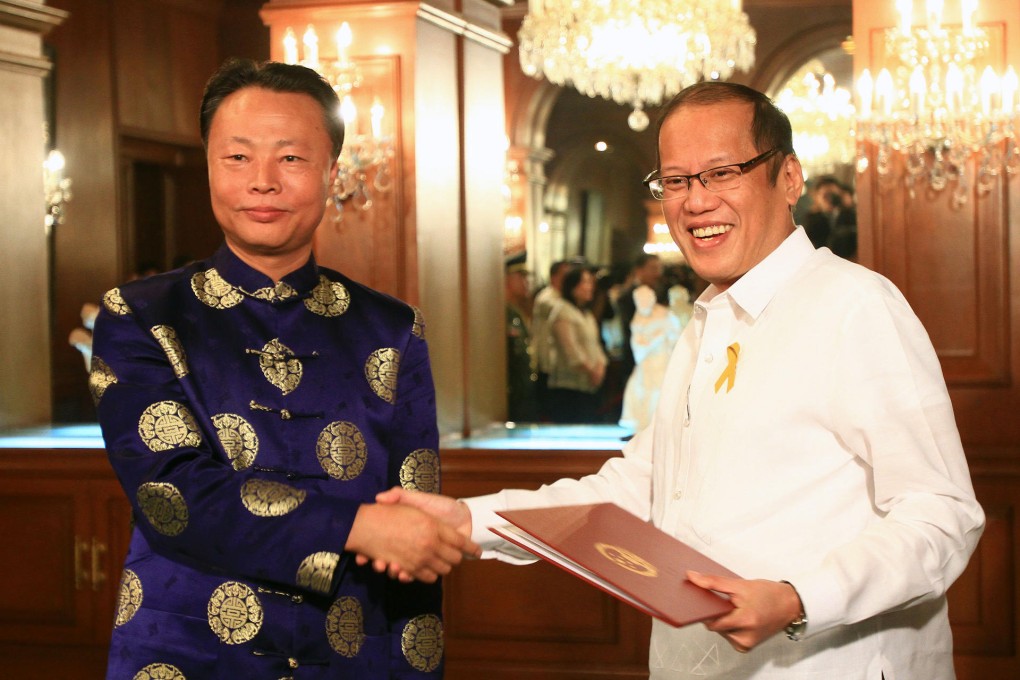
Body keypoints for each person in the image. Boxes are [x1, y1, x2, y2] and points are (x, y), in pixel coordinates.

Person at [375, 81, 984, 679]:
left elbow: (941, 514)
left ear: (790, 177)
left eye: (723, 173)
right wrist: (469, 521)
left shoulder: (855, 306)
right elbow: (643, 488)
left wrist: (800, 598)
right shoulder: (705, 322)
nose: (695, 201)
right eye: (675, 180)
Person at [89, 58, 477, 679]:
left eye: (291, 158)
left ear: (332, 172)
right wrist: (357, 526)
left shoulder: (393, 329)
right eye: (237, 158)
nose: (262, 181)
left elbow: (411, 522)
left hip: (354, 646)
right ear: (209, 165)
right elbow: (173, 495)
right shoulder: (141, 316)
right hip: (186, 647)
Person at [544, 266, 608, 423]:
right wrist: (590, 371)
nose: (590, 287)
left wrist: (600, 367)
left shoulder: (586, 314)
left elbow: (595, 345)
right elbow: (570, 350)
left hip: (589, 387)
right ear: (572, 286)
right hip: (569, 388)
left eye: (590, 282)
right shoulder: (562, 311)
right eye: (585, 282)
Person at [619, 285, 681, 432]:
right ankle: (644, 426)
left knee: (660, 391)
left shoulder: (665, 315)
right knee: (641, 390)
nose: (642, 305)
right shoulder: (638, 319)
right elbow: (638, 346)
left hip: (663, 360)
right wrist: (657, 339)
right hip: (646, 361)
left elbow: (676, 337)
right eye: (639, 302)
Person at [529, 259, 571, 419]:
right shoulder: (546, 298)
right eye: (565, 276)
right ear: (554, 278)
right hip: (545, 363)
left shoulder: (559, 299)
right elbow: (562, 310)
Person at [616, 253, 664, 388]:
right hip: (636, 360)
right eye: (653, 269)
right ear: (639, 270)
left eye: (659, 269)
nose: (657, 273)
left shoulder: (658, 292)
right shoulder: (627, 297)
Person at [504, 255, 537, 422]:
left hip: (523, 392)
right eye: (521, 277)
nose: (527, 282)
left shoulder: (516, 312)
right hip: (510, 394)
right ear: (506, 279)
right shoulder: (502, 313)